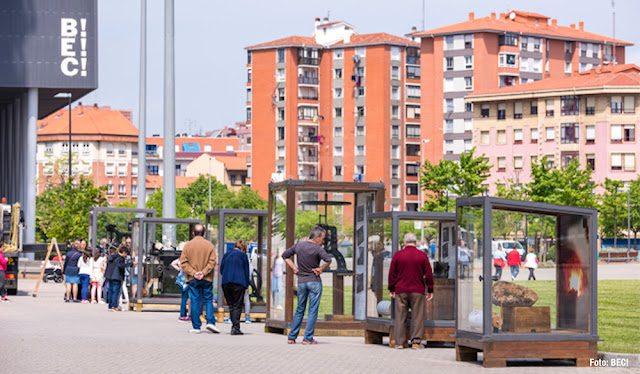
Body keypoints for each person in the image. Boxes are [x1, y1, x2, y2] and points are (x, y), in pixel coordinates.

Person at [282, 226, 332, 345]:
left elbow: (285, 255)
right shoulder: (318, 249)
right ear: (317, 237)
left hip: (301, 282)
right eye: (323, 239)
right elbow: (328, 260)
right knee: (312, 311)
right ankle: (307, 338)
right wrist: (321, 269)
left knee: (300, 309)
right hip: (314, 281)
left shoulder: (299, 245)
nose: (323, 242)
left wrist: (294, 268)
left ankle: (292, 337)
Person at [388, 233, 434, 350]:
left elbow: (392, 274)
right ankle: (416, 342)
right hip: (417, 290)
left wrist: (392, 288)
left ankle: (399, 342)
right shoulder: (422, 255)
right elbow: (428, 274)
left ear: (404, 242)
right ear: (416, 242)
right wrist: (430, 289)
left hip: (401, 290)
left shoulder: (398, 255)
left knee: (400, 316)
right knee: (417, 316)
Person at [180, 224, 219, 334]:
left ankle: (196, 326)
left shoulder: (188, 245)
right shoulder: (210, 245)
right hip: (206, 278)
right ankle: (210, 322)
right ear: (204, 233)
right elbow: (212, 262)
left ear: (193, 233)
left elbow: (183, 262)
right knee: (208, 299)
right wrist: (203, 272)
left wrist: (194, 273)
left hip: (193, 278)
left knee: (195, 300)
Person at [220, 239, 251, 335]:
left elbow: (221, 269)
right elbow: (246, 271)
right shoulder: (243, 256)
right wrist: (246, 285)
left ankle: (234, 326)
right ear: (243, 248)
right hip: (239, 282)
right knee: (237, 305)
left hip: (226, 282)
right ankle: (235, 327)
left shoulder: (226, 255)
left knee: (231, 305)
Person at [104, 245, 135, 312]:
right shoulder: (120, 258)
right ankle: (115, 306)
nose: (126, 255)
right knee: (116, 292)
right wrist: (131, 264)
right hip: (117, 276)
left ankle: (110, 305)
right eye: (126, 253)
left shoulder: (112, 257)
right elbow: (121, 266)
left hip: (109, 276)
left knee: (110, 291)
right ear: (123, 252)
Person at [171, 258, 191, 323]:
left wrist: (179, 269)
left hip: (180, 281)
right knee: (188, 298)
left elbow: (173, 263)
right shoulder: (189, 260)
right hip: (187, 281)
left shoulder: (180, 260)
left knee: (183, 299)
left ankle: (183, 315)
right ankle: (186, 315)